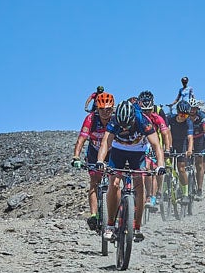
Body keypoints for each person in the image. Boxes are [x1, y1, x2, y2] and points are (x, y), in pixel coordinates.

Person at [96, 100, 167, 243]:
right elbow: (106, 143)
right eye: (122, 126)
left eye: (127, 126)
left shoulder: (143, 120)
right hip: (118, 150)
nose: (124, 129)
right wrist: (100, 161)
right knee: (114, 183)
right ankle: (110, 225)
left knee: (139, 185)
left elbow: (156, 145)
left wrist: (160, 165)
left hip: (138, 151)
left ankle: (137, 227)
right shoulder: (115, 120)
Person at [72, 91, 115, 229]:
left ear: (112, 109)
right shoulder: (90, 119)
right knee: (94, 182)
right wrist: (76, 157)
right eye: (101, 109)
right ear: (97, 108)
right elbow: (81, 139)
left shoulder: (116, 120)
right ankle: (94, 215)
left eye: (108, 109)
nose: (105, 112)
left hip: (112, 152)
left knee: (114, 181)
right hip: (93, 152)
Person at [138, 90, 171, 209]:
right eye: (144, 111)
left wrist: (167, 148)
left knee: (155, 168)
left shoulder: (157, 117)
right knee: (144, 170)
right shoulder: (137, 116)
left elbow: (165, 133)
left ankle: (155, 194)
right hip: (141, 145)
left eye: (149, 110)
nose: (146, 113)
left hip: (154, 144)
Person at [166, 100, 194, 201]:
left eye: (186, 115)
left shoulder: (188, 122)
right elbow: (165, 131)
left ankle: (185, 194)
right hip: (171, 143)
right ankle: (165, 190)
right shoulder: (170, 118)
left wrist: (189, 150)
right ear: (177, 112)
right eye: (181, 114)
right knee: (167, 166)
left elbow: (190, 138)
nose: (183, 117)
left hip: (183, 144)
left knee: (181, 168)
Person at [188, 99, 205, 198]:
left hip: (199, 140)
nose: (191, 111)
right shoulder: (185, 116)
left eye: (193, 109)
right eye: (190, 108)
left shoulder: (202, 116)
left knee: (199, 165)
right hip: (188, 139)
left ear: (197, 109)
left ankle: (199, 188)